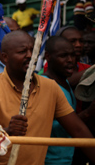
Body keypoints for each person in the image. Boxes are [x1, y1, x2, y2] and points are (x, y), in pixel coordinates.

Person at [0, 31, 95, 165]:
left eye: (33, 50)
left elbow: (78, 130)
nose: (30, 55)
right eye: (22, 51)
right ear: (5, 57)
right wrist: (7, 131)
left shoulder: (51, 87)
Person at [43, 36, 77, 164]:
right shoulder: (45, 86)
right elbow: (71, 126)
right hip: (51, 161)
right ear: (48, 56)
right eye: (64, 56)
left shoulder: (65, 82)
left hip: (67, 158)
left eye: (73, 55)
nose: (70, 60)